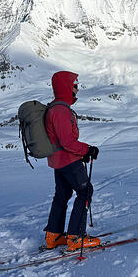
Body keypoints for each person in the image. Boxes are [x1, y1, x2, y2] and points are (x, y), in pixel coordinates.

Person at [43, 71, 101, 251]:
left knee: (62, 195)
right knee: (85, 191)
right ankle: (76, 237)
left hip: (57, 161)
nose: (77, 88)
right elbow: (67, 142)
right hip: (68, 161)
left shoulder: (54, 107)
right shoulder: (61, 110)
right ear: (66, 87)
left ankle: (54, 235)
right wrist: (87, 150)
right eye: (74, 85)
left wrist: (81, 152)